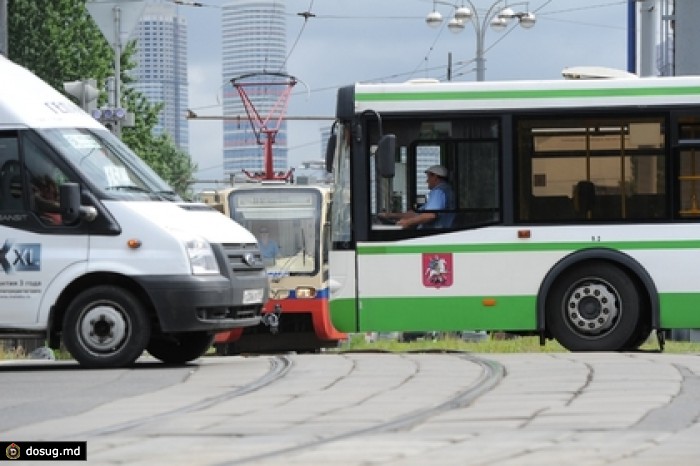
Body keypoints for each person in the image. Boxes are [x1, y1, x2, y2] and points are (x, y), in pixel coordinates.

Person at [380, 165, 455, 229]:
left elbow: (430, 215)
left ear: (435, 177)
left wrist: (408, 222)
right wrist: (390, 215)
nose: (427, 181)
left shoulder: (438, 192)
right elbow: (416, 213)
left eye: (428, 177)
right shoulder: (445, 190)